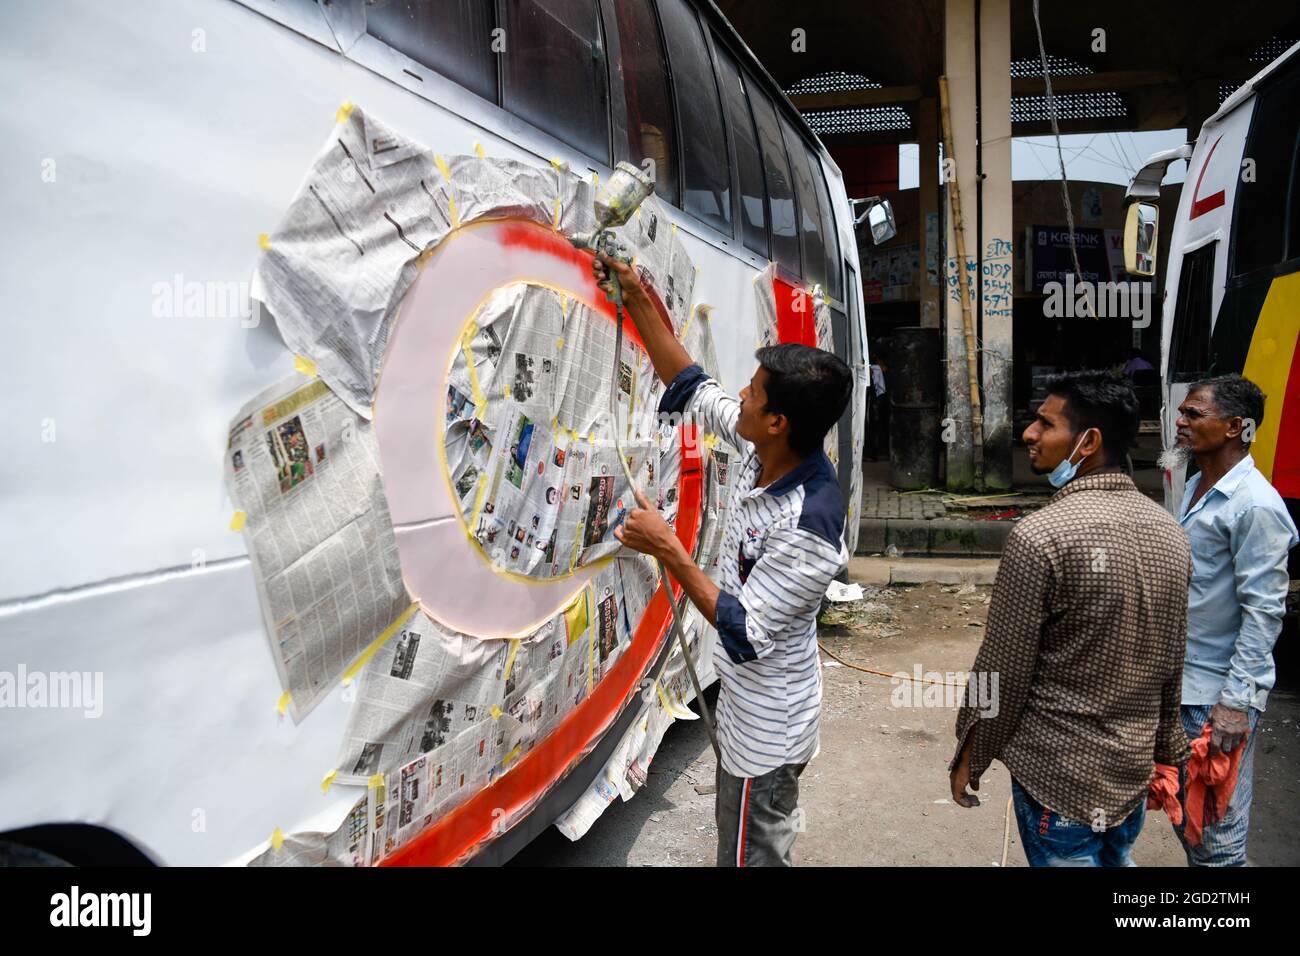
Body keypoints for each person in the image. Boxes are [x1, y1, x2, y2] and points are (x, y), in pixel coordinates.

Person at [593, 252, 851, 867]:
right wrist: (634, 292)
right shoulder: (762, 446)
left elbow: (745, 631)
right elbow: (689, 382)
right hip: (747, 711)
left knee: (750, 854)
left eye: (754, 395)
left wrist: (669, 549)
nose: (740, 397)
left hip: (767, 731)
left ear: (779, 422)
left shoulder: (809, 522)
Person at [949, 370, 1191, 866]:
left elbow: (1004, 667)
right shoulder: (1170, 533)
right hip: (1129, 771)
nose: (1029, 435)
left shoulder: (1041, 536)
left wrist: (972, 752)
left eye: (1045, 423)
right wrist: (1168, 748)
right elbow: (1173, 658)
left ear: (1089, 441)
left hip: (1058, 778)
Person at [1165, 373, 1298, 866]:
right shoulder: (1200, 483)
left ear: (1234, 427)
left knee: (1217, 844)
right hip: (1187, 684)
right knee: (1190, 825)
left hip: (1216, 697)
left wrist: (1236, 704)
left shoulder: (1256, 507)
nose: (1180, 422)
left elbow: (1264, 612)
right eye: (1182, 412)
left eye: (1193, 414)